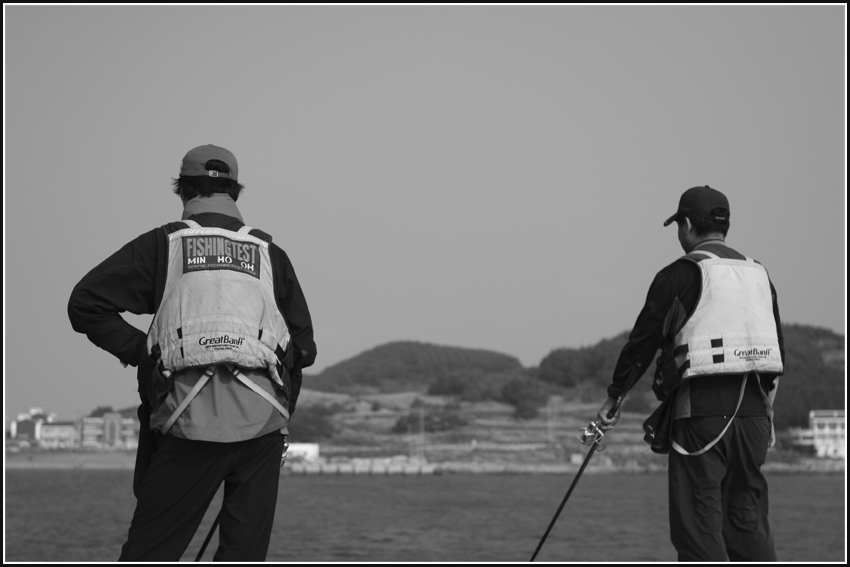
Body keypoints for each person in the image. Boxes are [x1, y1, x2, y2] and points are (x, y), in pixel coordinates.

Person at [68, 144, 317, 561]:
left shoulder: (164, 245)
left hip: (188, 420)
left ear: (182, 190)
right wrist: (281, 414)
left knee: (150, 554)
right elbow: (303, 348)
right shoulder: (269, 253)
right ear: (235, 192)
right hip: (263, 426)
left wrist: (144, 353)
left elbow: (85, 303)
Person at [595, 186, 784, 562]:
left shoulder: (680, 274)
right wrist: (768, 414)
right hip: (755, 419)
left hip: (702, 415)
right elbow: (777, 350)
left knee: (697, 526)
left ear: (685, 225)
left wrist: (614, 398)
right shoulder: (759, 274)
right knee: (746, 521)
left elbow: (642, 344)